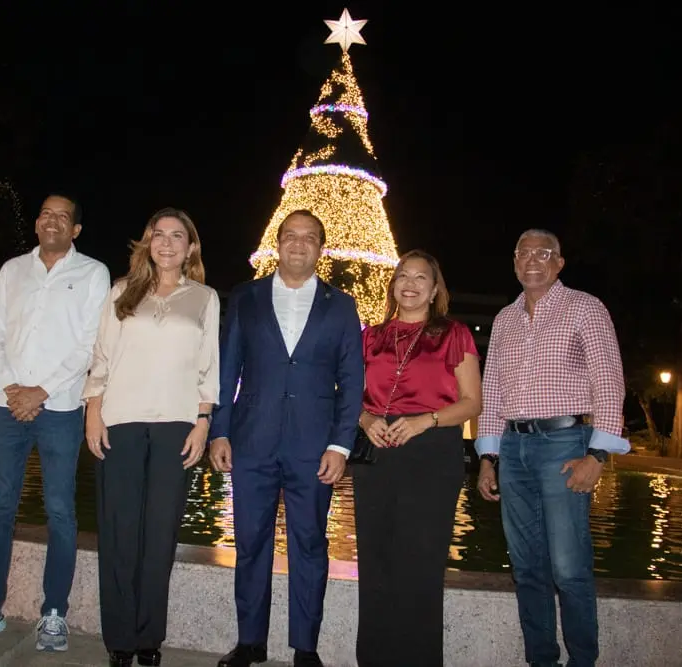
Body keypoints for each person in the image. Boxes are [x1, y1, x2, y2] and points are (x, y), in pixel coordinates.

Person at [0, 193, 110, 653]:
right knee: (0, 507)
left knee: (61, 512)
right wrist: (10, 389)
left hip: (60, 409)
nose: (52, 221)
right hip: (7, 407)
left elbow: (89, 343)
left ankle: (54, 612)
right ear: (38, 222)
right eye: (45, 213)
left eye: (64, 216)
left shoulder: (92, 273)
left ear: (76, 229)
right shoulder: (12, 271)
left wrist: (40, 391)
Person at [208, 210, 364, 667]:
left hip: (314, 448)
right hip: (251, 441)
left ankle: (305, 647)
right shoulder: (246, 297)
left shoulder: (341, 305)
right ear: (278, 243)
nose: (299, 244)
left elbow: (351, 381)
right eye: (291, 236)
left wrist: (340, 445)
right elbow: (226, 369)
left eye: (309, 238)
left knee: (310, 545)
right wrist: (220, 430)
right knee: (250, 542)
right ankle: (250, 641)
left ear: (321, 248)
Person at [475, 229, 628, 667]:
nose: (531, 260)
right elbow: (493, 391)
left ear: (559, 263)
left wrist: (597, 456)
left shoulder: (585, 308)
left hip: (565, 442)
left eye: (543, 253)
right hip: (513, 445)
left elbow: (609, 381)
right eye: (522, 253)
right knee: (526, 567)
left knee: (568, 566)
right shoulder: (505, 318)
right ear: (514, 262)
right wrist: (488, 457)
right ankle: (541, 660)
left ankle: (583, 661)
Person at [83, 208, 220, 667]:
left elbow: (209, 368)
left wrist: (203, 421)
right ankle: (119, 638)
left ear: (190, 247)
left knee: (160, 534)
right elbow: (101, 358)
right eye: (157, 235)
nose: (166, 243)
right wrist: (93, 413)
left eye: (176, 236)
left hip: (176, 427)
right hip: (120, 421)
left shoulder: (204, 298)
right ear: (146, 243)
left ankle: (148, 638)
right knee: (120, 531)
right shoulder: (121, 292)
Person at [353, 250, 481, 666]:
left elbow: (472, 403)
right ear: (393, 285)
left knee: (421, 564)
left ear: (434, 289)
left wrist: (425, 420)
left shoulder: (454, 334)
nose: (409, 283)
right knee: (375, 562)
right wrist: (366, 416)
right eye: (402, 276)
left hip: (431, 451)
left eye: (420, 278)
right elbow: (345, 393)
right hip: (376, 449)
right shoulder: (369, 336)